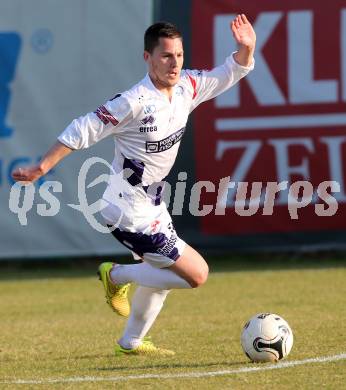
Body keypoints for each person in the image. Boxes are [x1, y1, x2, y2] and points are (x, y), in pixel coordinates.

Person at [12, 14, 256, 356]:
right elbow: (83, 127)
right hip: (126, 211)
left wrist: (246, 49)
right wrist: (42, 166)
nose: (174, 64)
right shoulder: (134, 101)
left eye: (179, 55)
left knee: (160, 280)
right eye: (166, 56)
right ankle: (116, 276)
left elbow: (228, 73)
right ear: (148, 57)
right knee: (197, 274)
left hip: (152, 206)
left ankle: (130, 343)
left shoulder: (187, 87)